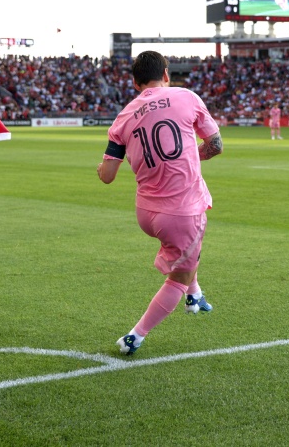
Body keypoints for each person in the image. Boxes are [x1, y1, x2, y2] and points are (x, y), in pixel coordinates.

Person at [97, 51, 223, 355]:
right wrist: (194, 155)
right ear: (165, 73)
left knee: (188, 249)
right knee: (180, 269)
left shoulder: (124, 116)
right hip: (180, 212)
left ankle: (195, 295)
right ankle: (135, 336)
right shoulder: (186, 96)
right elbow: (216, 145)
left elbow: (107, 176)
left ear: (135, 83)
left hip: (146, 212)